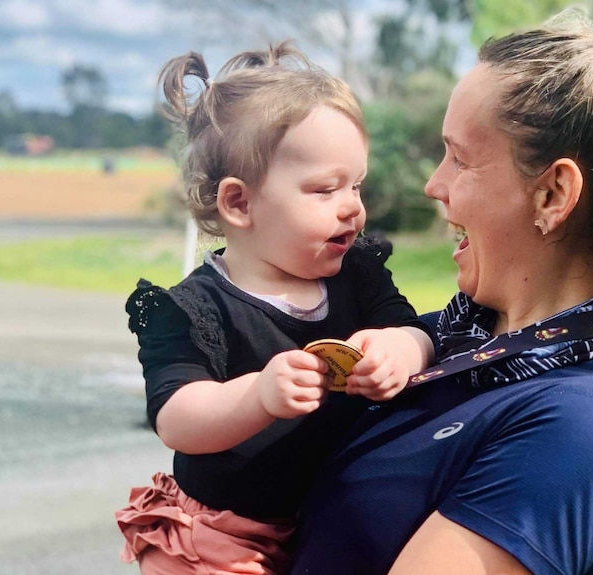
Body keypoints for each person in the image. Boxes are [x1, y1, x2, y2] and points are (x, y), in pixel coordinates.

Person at [288, 7, 593, 575]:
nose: (434, 184)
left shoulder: (578, 430)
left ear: (553, 194)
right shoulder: (456, 339)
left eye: (460, 158)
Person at [114, 43, 433, 575]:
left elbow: (416, 328)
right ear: (239, 203)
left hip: (333, 516)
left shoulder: (358, 273)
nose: (353, 205)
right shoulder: (193, 308)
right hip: (221, 533)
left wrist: (403, 348)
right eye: (325, 189)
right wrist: (258, 395)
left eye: (356, 185)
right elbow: (177, 418)